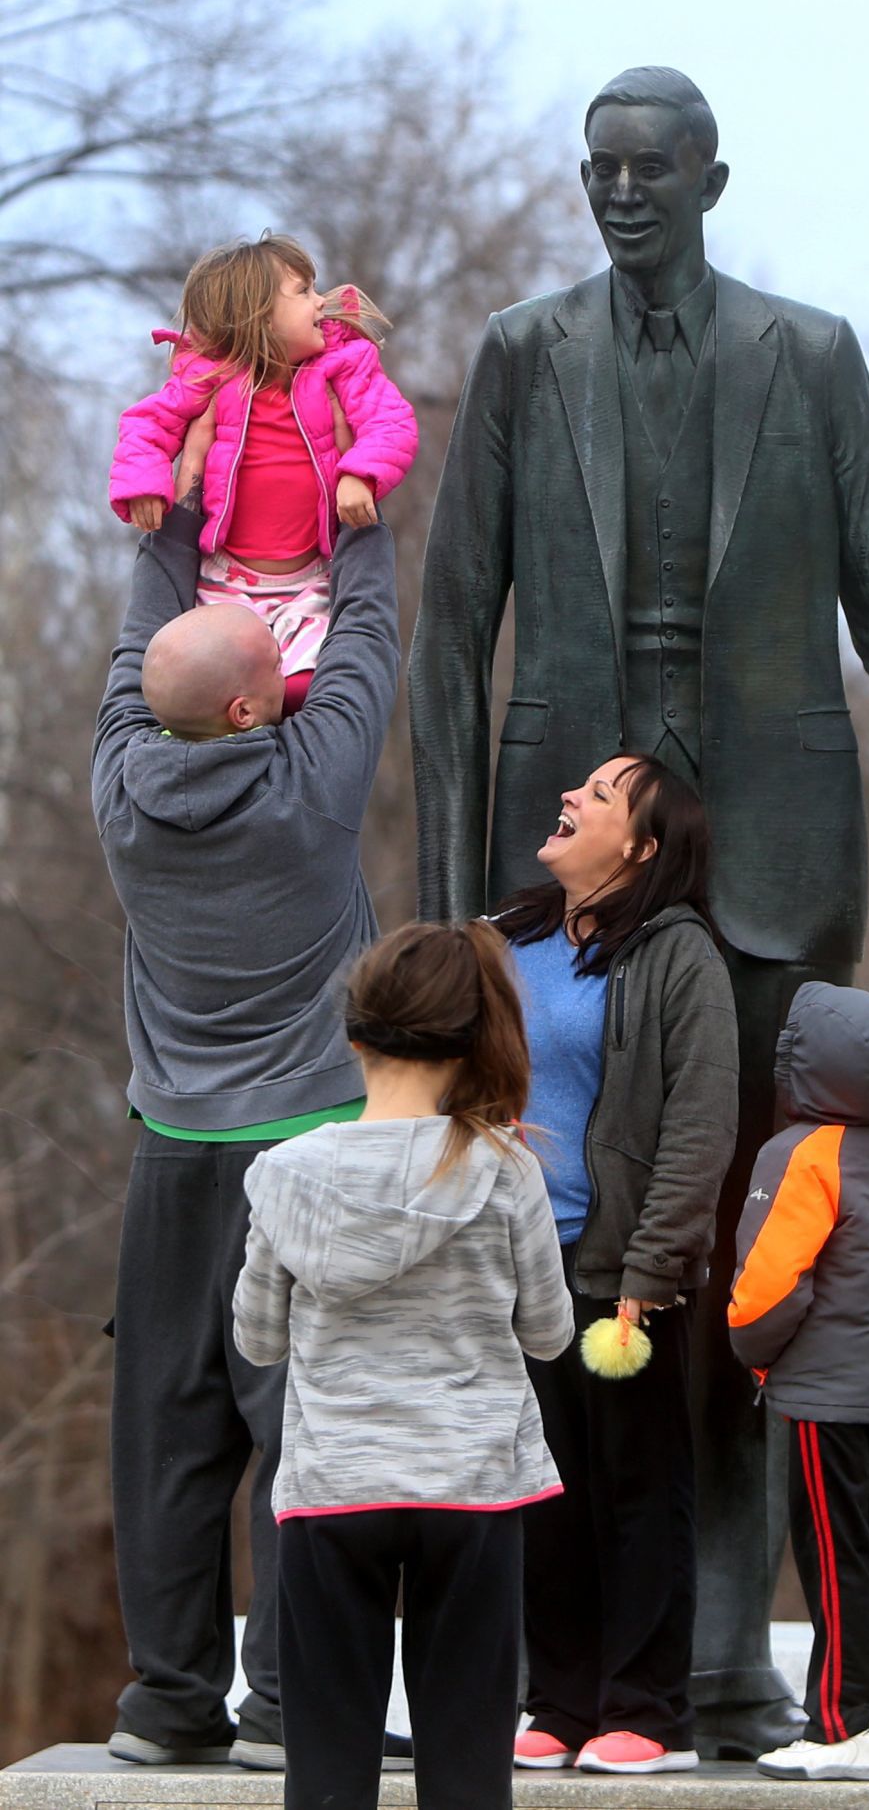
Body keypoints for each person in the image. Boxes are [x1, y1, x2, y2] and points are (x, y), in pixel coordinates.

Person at [407, 64, 869, 1755]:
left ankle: (723, 1660)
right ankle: (582, 1671)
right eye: (596, 170)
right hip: (566, 875)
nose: (619, 195)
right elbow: (448, 632)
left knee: (743, 1272)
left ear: (711, 178)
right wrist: (436, 908)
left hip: (771, 860)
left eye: (650, 170)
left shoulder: (807, 357)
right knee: (575, 1259)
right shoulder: (519, 354)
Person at [92, 437, 401, 1767]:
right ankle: (287, 1705)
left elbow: (133, 647)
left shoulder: (119, 785)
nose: (292, 671)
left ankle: (167, 1701)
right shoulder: (307, 788)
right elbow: (373, 628)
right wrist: (355, 508)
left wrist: (177, 512)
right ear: (246, 712)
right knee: (307, 1429)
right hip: (308, 1154)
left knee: (168, 1425)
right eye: (270, 672)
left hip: (173, 1154)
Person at [231, 922, 574, 1810]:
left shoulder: (284, 1173)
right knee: (466, 1769)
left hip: (333, 1487)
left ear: (352, 1035)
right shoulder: (504, 1167)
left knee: (326, 1772)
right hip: (470, 1489)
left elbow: (258, 1338)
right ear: (471, 1038)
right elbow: (548, 1331)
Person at [494, 753, 739, 1775]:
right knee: (538, 1499)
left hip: (617, 1278)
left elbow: (697, 1126)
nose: (569, 798)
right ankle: (555, 1700)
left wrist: (652, 1267)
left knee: (635, 1497)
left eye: (597, 795)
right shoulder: (504, 939)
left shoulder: (679, 956)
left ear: (640, 845)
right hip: (511, 1272)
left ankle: (645, 1710)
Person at [728, 982, 869, 1782]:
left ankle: (842, 1723)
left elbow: (765, 1287)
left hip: (825, 1390)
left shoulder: (800, 1154)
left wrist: (754, 1355)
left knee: (833, 1553)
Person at [109, 233, 417, 713]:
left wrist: (362, 473)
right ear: (258, 317)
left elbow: (390, 421)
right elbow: (147, 424)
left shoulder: (344, 364)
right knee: (208, 684)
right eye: (303, 291)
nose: (321, 302)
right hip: (226, 581)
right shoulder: (209, 376)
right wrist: (143, 483)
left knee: (306, 685)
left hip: (310, 578)